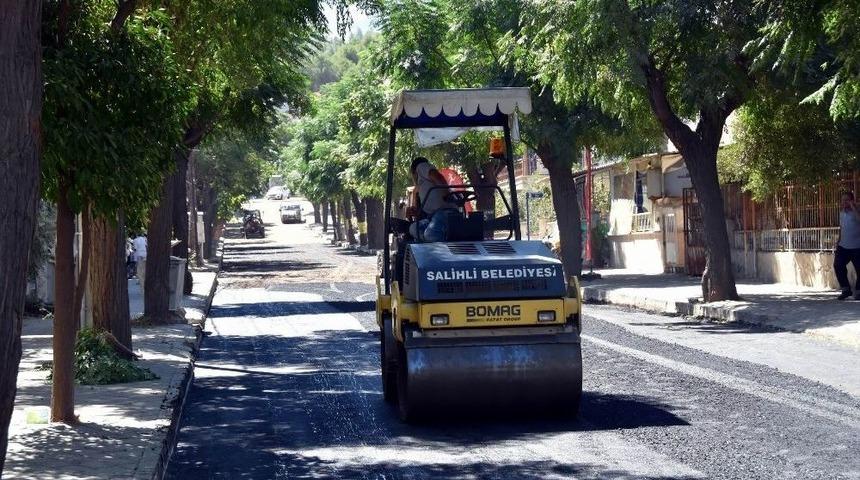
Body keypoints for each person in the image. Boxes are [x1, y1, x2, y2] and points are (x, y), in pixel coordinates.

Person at [407, 157, 458, 242]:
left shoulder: (420, 167)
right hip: (433, 216)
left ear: (413, 171)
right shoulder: (422, 186)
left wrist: (446, 193)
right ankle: (431, 244)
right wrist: (416, 212)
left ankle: (441, 252)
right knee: (413, 228)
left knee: (431, 234)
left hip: (445, 212)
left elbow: (437, 176)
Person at [834, 191, 860, 300]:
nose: (844, 202)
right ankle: (846, 289)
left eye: (847, 200)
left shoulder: (857, 211)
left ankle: (858, 291)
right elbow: (842, 228)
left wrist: (854, 208)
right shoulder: (841, 213)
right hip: (843, 246)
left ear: (852, 200)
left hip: (857, 246)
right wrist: (838, 241)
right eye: (843, 200)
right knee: (838, 265)